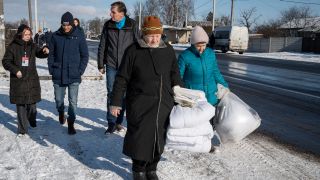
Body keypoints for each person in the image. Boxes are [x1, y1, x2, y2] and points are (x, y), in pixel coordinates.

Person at [110, 16, 183, 180]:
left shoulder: (168, 50)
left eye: (157, 35)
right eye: (151, 36)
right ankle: (138, 171)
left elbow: (174, 73)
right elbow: (121, 78)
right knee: (140, 140)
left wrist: (177, 87)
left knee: (159, 138)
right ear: (144, 34)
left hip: (163, 104)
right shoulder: (133, 51)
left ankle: (152, 169)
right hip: (139, 103)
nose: (154, 39)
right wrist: (115, 102)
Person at [97, 1, 140, 134]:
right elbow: (103, 44)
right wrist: (100, 63)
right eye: (111, 11)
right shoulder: (108, 25)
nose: (111, 14)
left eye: (113, 12)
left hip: (127, 66)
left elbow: (138, 44)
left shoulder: (132, 24)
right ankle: (111, 123)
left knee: (124, 95)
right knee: (111, 93)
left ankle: (119, 121)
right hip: (111, 65)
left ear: (122, 13)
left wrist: (138, 64)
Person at [2, 24, 49, 135]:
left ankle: (32, 120)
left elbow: (39, 52)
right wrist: (15, 70)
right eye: (26, 34)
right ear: (20, 35)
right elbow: (6, 61)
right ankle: (23, 130)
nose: (28, 36)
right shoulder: (13, 46)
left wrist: (44, 51)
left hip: (31, 80)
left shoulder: (32, 45)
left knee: (32, 107)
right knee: (21, 106)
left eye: (29, 34)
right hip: (18, 81)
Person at [48, 12, 89, 135]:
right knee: (59, 100)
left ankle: (71, 123)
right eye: (64, 25)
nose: (66, 27)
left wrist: (80, 70)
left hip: (74, 74)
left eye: (68, 25)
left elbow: (85, 55)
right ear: (61, 24)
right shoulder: (55, 36)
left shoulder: (79, 36)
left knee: (73, 102)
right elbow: (51, 55)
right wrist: (52, 70)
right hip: (58, 74)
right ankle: (61, 112)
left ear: (72, 24)